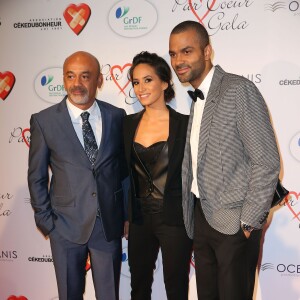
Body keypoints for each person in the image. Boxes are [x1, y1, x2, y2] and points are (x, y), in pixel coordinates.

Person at [169, 21, 280, 300]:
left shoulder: (237, 90)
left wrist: (247, 224)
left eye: (186, 51)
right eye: (173, 54)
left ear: (207, 51)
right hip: (201, 220)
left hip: (235, 225)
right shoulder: (196, 100)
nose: (178, 60)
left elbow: (266, 161)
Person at [27, 51, 128, 300]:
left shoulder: (116, 117)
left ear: (99, 80)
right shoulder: (44, 121)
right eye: (70, 76)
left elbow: (123, 172)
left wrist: (125, 215)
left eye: (85, 76)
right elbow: (37, 176)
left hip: (107, 225)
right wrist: (47, 222)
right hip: (65, 227)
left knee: (109, 295)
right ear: (63, 79)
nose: (76, 84)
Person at [123, 51, 193, 300]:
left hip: (174, 218)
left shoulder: (186, 124)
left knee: (176, 288)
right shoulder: (127, 124)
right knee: (138, 287)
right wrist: (126, 214)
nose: (141, 88)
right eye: (136, 82)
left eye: (148, 80)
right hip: (139, 219)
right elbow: (122, 174)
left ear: (165, 82)